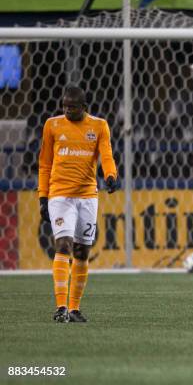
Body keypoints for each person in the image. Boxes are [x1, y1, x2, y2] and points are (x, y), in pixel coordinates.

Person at [38, 85, 118, 323]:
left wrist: (111, 175)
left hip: (87, 197)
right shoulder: (52, 125)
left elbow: (106, 154)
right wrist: (43, 197)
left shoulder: (99, 126)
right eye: (65, 106)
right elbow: (44, 164)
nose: (67, 110)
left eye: (72, 107)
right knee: (63, 245)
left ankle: (74, 309)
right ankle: (60, 306)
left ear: (84, 107)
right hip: (60, 195)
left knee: (82, 251)